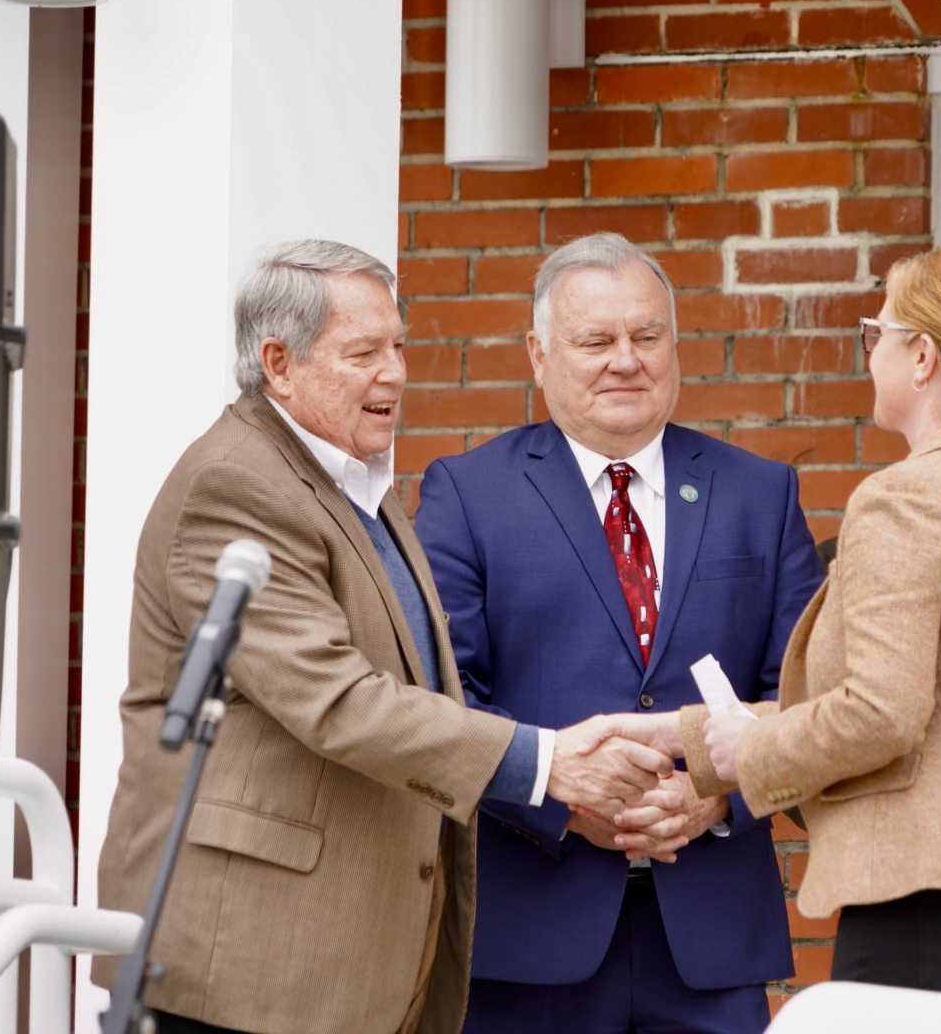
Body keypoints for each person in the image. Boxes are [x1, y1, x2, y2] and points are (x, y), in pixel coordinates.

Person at [92, 240, 673, 1034]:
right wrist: (547, 763)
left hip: (339, 964)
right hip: (243, 965)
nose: (395, 373)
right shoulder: (233, 485)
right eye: (364, 354)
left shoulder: (357, 485)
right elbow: (336, 699)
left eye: (398, 347)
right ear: (278, 363)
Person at [415, 232, 823, 1034]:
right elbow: (442, 697)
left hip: (709, 941)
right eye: (595, 341)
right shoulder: (467, 494)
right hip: (530, 937)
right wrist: (563, 797)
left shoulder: (761, 493)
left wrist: (718, 794)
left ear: (676, 345)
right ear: (539, 355)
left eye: (647, 336)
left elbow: (807, 698)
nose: (626, 361)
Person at [661, 242, 941, 996]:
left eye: (876, 333)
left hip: (921, 893)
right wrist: (682, 736)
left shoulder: (905, 498)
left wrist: (754, 748)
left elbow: (883, 712)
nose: (869, 351)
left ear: (922, 358)